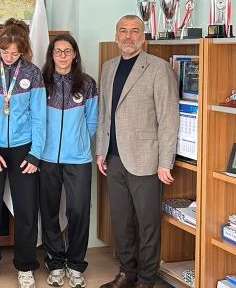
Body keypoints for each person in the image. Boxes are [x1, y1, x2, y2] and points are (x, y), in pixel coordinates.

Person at [96, 15, 179, 288]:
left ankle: (146, 279)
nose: (128, 36)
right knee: (121, 221)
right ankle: (127, 273)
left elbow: (168, 118)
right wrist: (101, 151)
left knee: (148, 224)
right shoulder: (108, 67)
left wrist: (165, 162)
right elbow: (104, 113)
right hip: (114, 159)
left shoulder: (158, 68)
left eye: (134, 31)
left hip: (147, 160)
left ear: (143, 37)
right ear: (116, 36)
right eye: (123, 31)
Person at [0, 18, 46, 288]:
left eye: (15, 54)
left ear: (23, 51)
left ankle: (25, 266)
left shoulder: (33, 73)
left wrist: (35, 153)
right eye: (5, 52)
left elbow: (39, 117)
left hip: (24, 148)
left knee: (26, 210)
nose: (9, 57)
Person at [38, 35, 98, 288]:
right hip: (46, 157)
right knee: (49, 211)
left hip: (78, 159)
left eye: (67, 51)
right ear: (51, 55)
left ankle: (75, 264)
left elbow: (92, 120)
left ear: (75, 55)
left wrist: (80, 142)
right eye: (58, 51)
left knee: (79, 211)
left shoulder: (87, 83)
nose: (62, 55)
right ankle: (55, 263)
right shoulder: (41, 82)